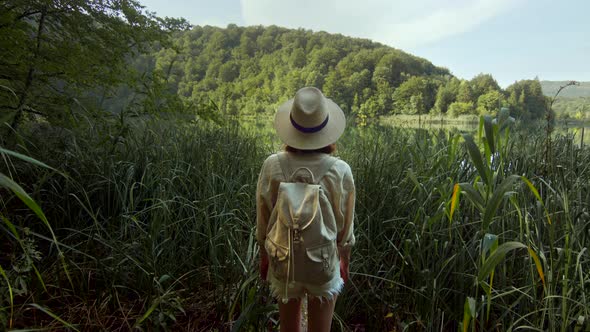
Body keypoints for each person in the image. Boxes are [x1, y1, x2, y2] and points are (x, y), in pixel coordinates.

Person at [256, 87, 356, 332]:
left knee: (288, 329)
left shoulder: (272, 165)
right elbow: (345, 230)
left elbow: (263, 218)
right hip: (322, 262)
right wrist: (344, 260)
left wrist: (264, 256)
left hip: (283, 259)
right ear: (327, 130)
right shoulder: (340, 170)